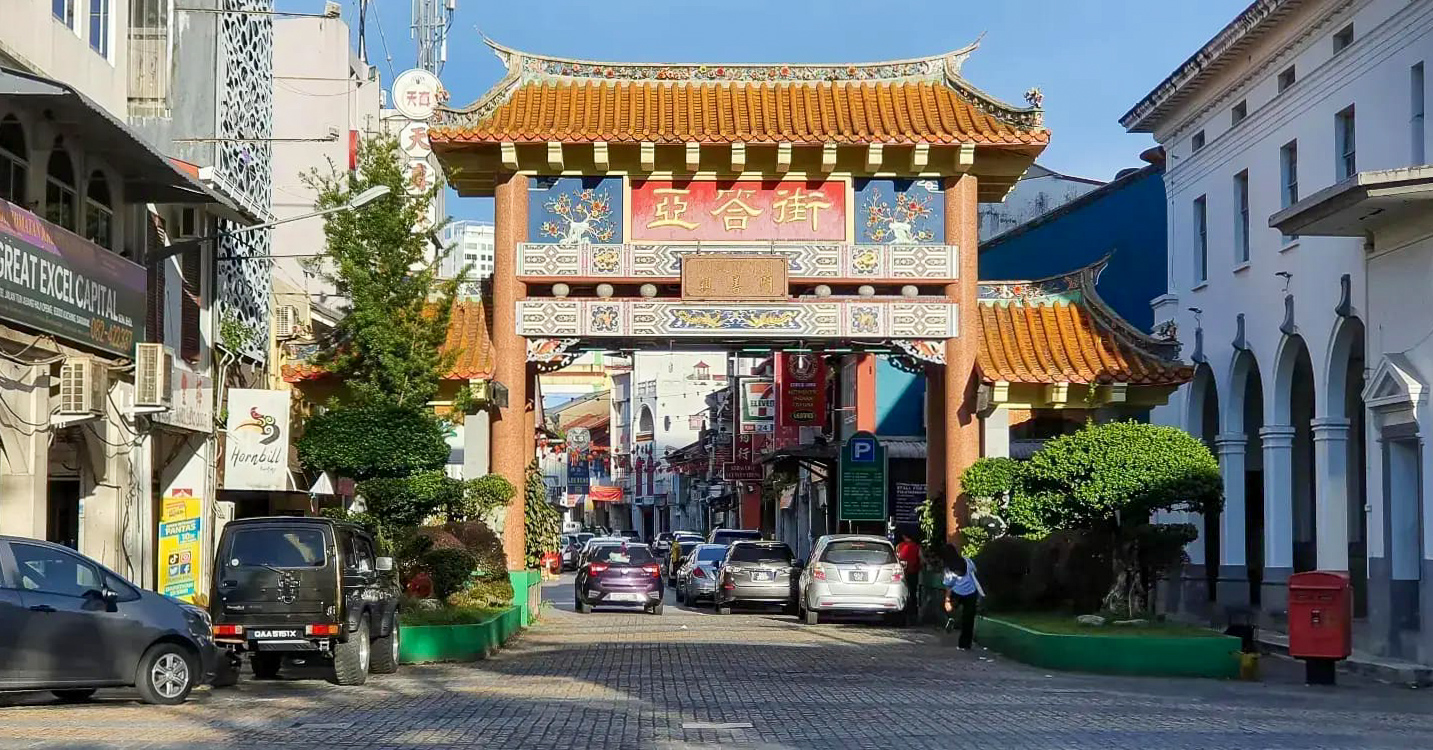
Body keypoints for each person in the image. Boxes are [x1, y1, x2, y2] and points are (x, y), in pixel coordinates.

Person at [940, 543, 982, 650]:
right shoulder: (967, 560)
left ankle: (952, 618)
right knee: (968, 620)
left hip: (957, 593)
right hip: (971, 592)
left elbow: (948, 586)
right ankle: (965, 644)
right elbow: (975, 571)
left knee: (949, 609)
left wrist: (947, 600)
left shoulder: (948, 569)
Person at [894, 531, 922, 622]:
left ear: (904, 536)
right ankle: (912, 615)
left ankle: (903, 612)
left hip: (901, 574)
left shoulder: (899, 546)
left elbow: (896, 558)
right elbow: (922, 560)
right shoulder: (917, 547)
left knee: (902, 593)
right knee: (912, 594)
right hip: (913, 573)